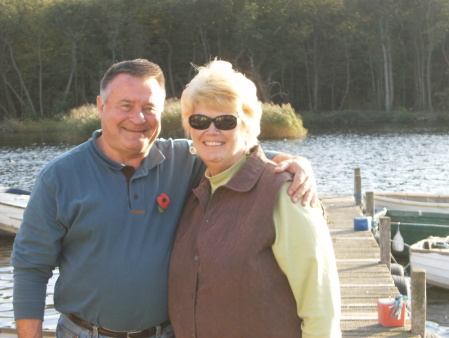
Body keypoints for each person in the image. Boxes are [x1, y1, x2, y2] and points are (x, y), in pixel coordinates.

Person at [11, 59, 318, 338]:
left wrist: (296, 161)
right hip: (84, 333)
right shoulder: (59, 176)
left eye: (149, 108)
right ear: (101, 106)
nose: (138, 118)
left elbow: (240, 156)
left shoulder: (186, 159)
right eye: (126, 105)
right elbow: (31, 266)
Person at [168, 60, 341, 337]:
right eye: (200, 121)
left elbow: (321, 311)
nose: (211, 131)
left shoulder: (284, 192)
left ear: (247, 125)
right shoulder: (195, 192)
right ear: (189, 127)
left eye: (225, 121)